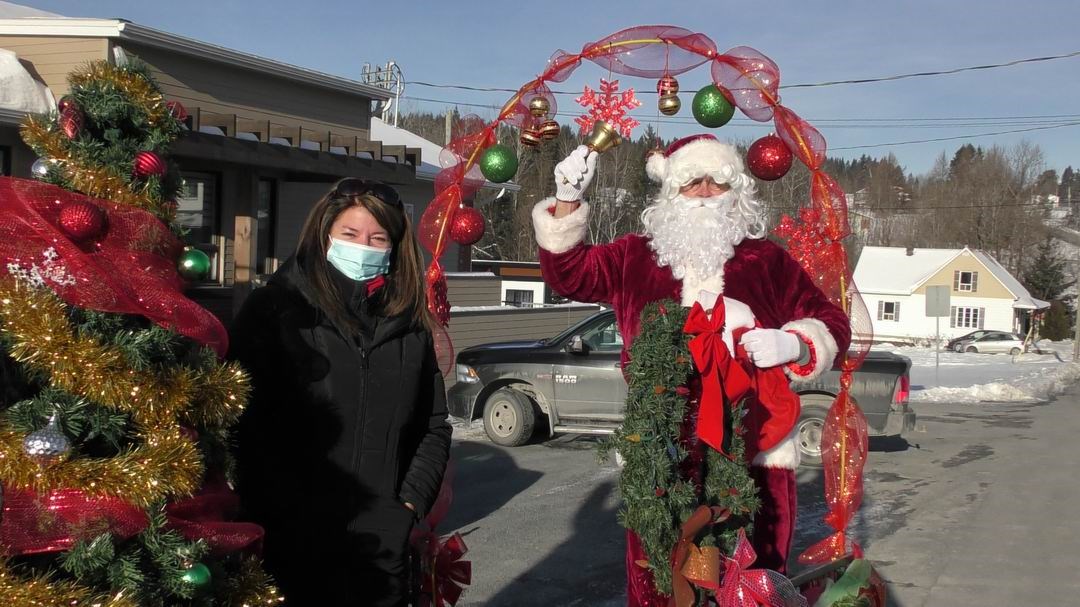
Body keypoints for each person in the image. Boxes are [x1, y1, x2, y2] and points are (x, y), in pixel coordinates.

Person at [533, 135, 850, 604]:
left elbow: (832, 324)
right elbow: (569, 273)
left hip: (756, 444)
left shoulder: (767, 261)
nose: (704, 192)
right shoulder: (634, 257)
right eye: (691, 182)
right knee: (661, 578)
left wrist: (795, 343)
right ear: (669, 192)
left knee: (755, 576)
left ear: (736, 190)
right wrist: (566, 201)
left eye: (716, 182)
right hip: (662, 448)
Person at [230, 178, 452, 606]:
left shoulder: (410, 328)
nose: (362, 247)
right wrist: (280, 512)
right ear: (324, 234)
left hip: (379, 553)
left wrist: (405, 507)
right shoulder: (276, 311)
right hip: (287, 548)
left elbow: (434, 425)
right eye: (350, 235)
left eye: (377, 238)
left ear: (394, 247)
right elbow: (241, 424)